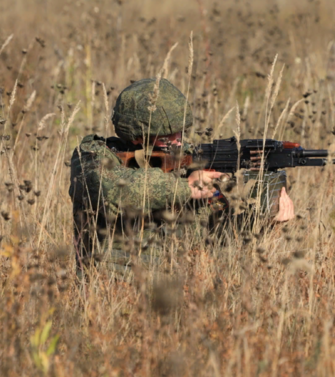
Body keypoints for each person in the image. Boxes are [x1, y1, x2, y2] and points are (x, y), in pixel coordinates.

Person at [69, 78, 294, 277]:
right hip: (115, 285)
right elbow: (113, 189)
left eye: (180, 132)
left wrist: (264, 220)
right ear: (137, 136)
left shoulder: (186, 160)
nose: (177, 140)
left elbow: (220, 236)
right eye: (167, 135)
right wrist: (186, 188)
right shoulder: (93, 154)